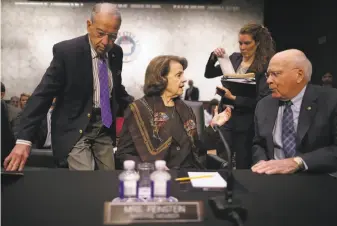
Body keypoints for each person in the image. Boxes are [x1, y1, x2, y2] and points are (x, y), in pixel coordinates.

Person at [4, 3, 133, 171]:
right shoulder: (67, 52)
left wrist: (142, 107)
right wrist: (24, 140)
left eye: (113, 36)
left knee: (108, 180)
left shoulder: (116, 52)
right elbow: (43, 95)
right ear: (89, 25)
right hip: (75, 129)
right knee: (84, 181)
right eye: (100, 33)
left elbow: (117, 89)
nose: (105, 42)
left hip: (104, 128)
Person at [115, 55, 232, 169]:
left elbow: (198, 148)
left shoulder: (186, 109)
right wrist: (150, 167)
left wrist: (213, 125)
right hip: (158, 178)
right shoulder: (139, 109)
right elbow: (123, 154)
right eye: (178, 75)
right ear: (161, 79)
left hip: (190, 175)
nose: (184, 79)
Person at [251, 49, 337, 174]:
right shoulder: (263, 105)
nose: (268, 80)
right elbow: (258, 144)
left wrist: (298, 162)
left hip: (318, 179)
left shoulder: (331, 100)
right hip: (273, 180)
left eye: (275, 74)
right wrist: (262, 164)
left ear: (299, 75)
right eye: (268, 75)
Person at [204, 23, 275, 168]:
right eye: (240, 43)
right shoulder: (235, 58)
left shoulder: (265, 65)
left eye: (247, 43)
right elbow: (209, 74)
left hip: (246, 121)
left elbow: (262, 100)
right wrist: (213, 57)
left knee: (243, 162)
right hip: (226, 117)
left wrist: (234, 98)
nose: (242, 47)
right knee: (222, 160)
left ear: (258, 42)